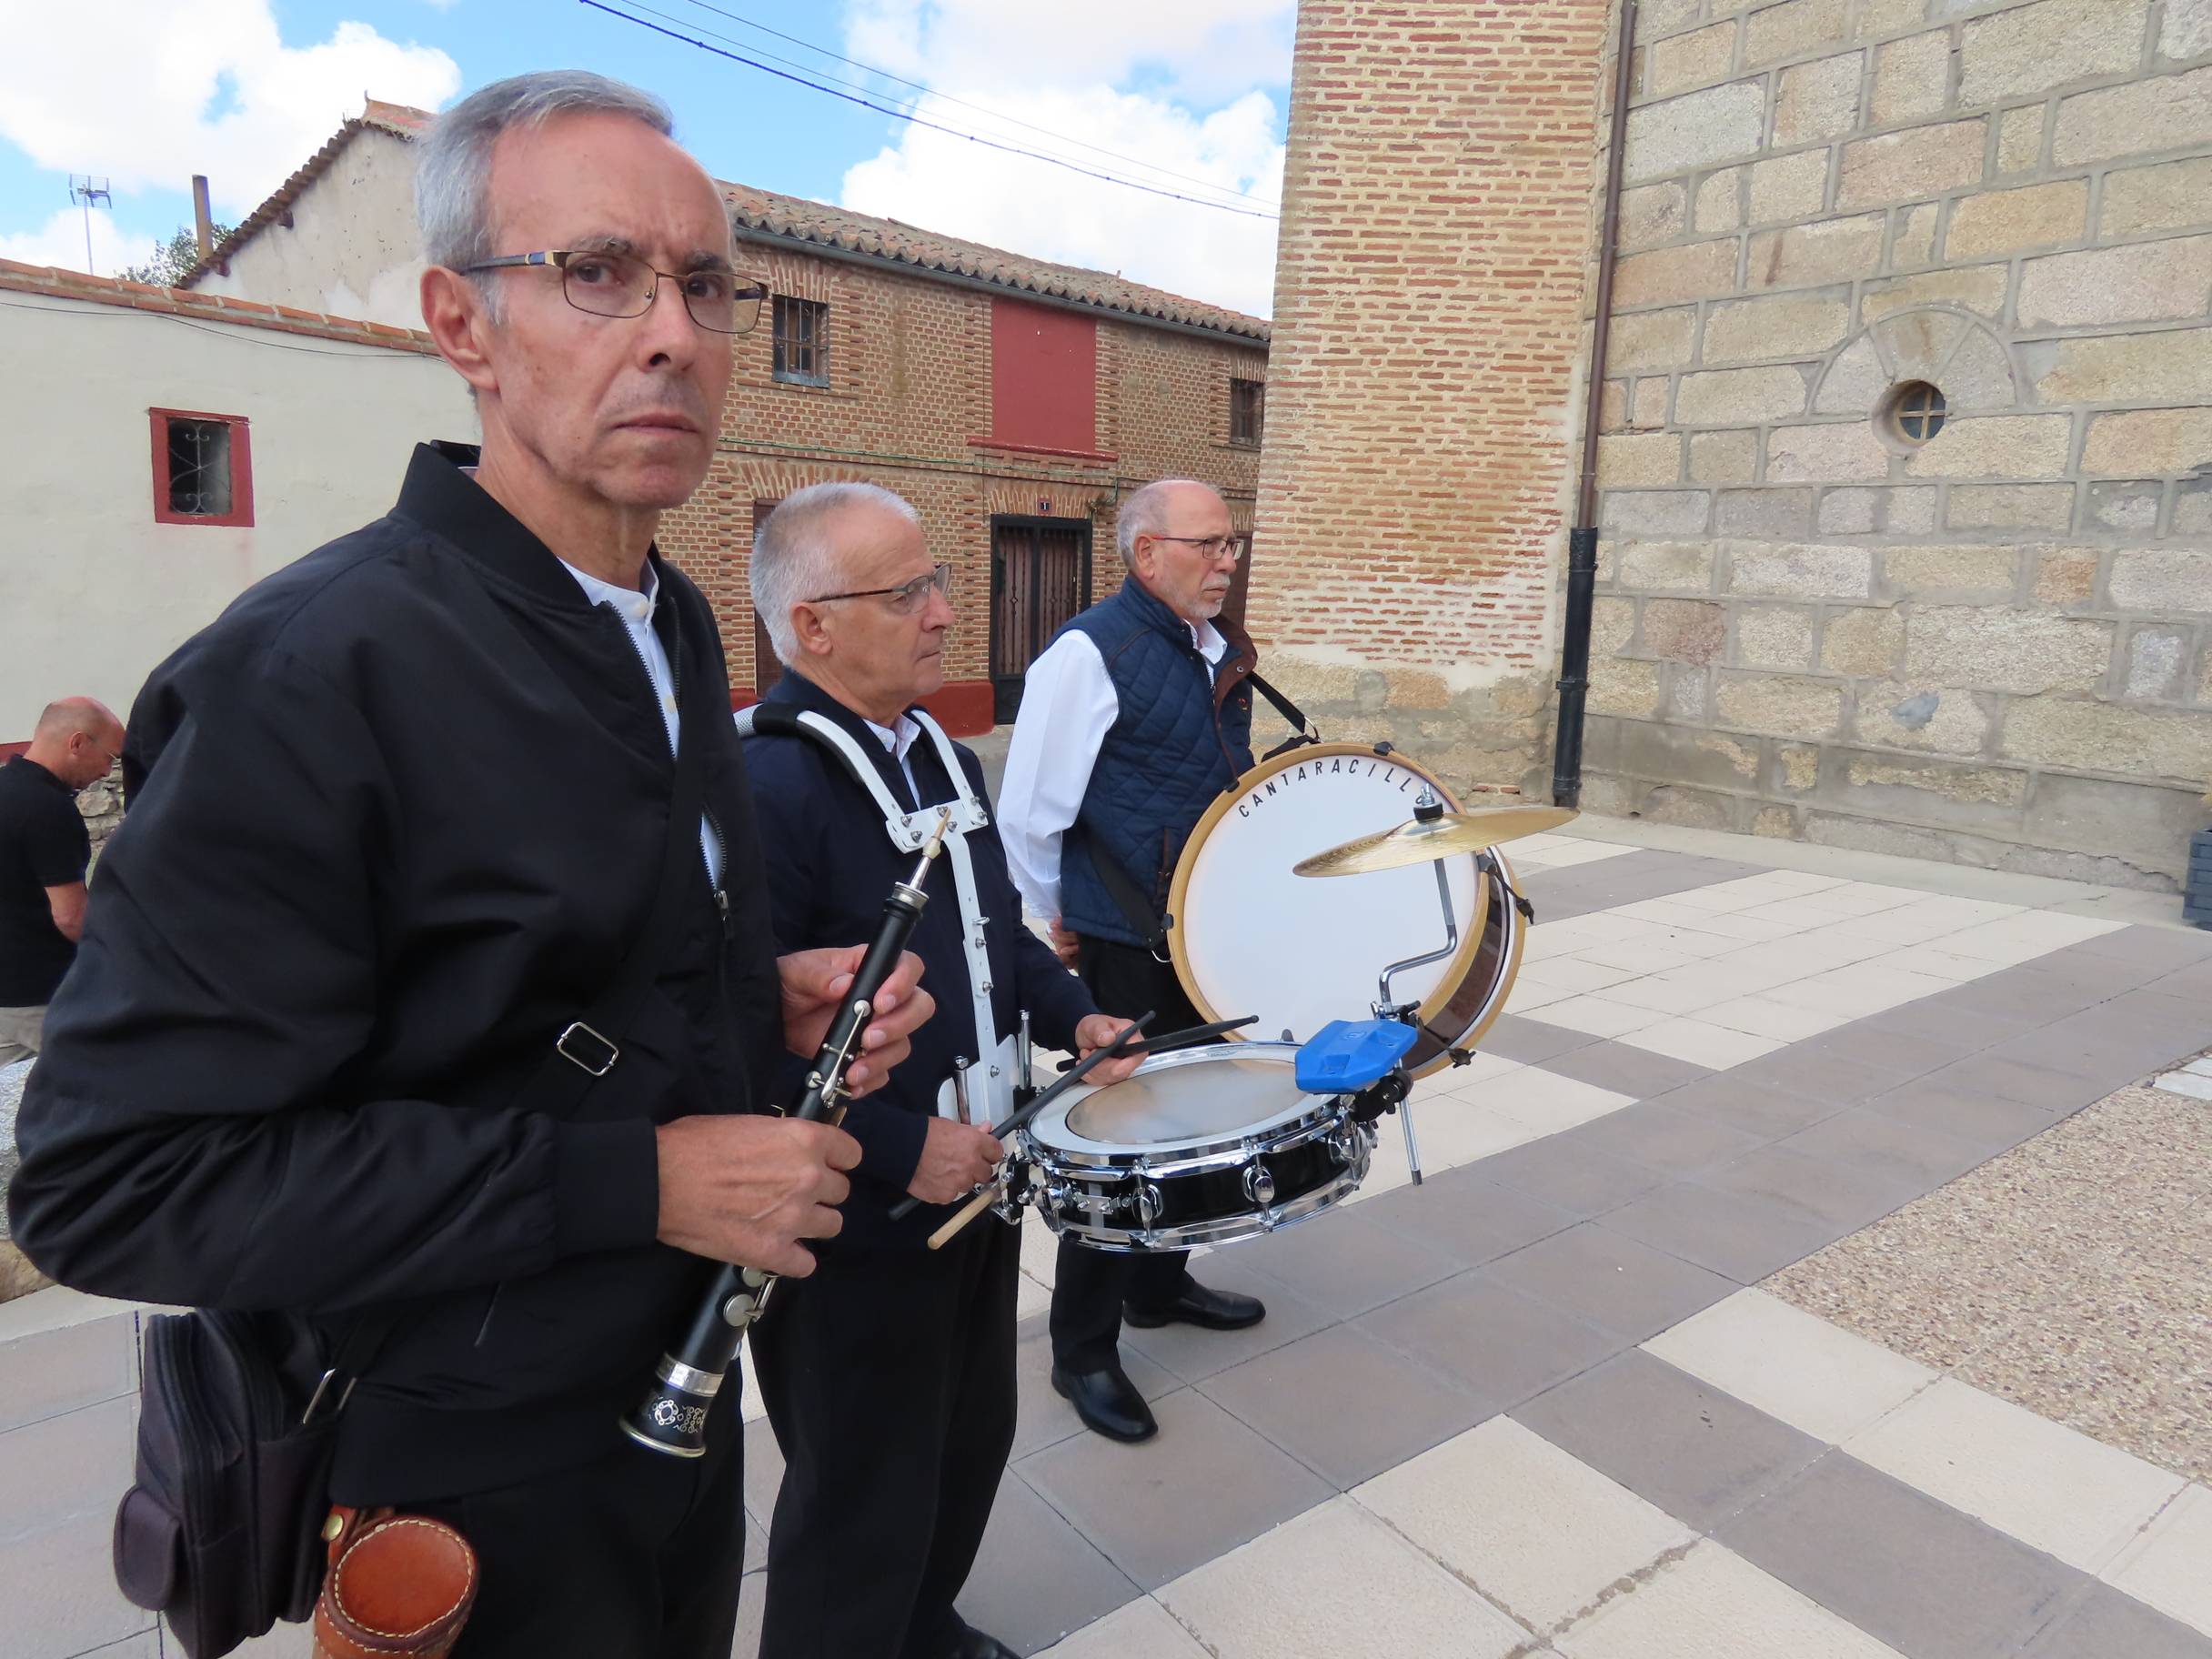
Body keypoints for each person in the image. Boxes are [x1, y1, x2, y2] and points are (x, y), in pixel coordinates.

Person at [7, 72, 937, 1658]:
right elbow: (109, 1181)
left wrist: (740, 1006)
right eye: (596, 272)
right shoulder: (305, 675)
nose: (671, 333)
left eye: (705, 284)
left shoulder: (673, 619)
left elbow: (524, 983)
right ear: (462, 325)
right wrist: (636, 1175)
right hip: (454, 1486)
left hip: (675, 1414)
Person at [741, 481, 1142, 1659]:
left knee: (967, 1440)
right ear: (813, 625)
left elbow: (1003, 932)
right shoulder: (763, 789)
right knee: (860, 1487)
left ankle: (922, 1628)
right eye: (909, 589)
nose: (941, 610)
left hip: (979, 1184)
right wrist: (907, 1151)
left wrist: (1076, 1021)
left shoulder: (946, 760)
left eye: (937, 583)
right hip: (854, 1219)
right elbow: (731, 1037)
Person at [997, 478, 1269, 1444]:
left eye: (1231, 543)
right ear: (1144, 554)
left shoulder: (1212, 650)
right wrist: (1054, 923)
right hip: (1119, 937)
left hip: (1199, 934)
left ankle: (1159, 1287)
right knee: (1115, 1148)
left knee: (1192, 1121)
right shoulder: (1087, 652)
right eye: (1207, 545)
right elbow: (1028, 809)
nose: (1225, 561)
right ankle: (1082, 1351)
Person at [0, 697, 122, 1065]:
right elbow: (71, 918)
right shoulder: (48, 808)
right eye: (110, 757)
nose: (107, 771)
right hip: (41, 996)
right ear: (78, 743)